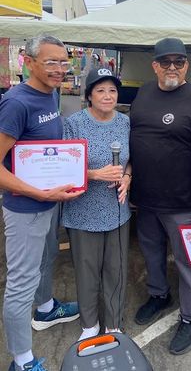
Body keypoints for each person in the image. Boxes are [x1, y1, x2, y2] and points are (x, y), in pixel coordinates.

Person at [129, 37, 191, 355]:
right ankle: (159, 295)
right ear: (154, 65)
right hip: (146, 199)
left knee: (188, 264)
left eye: (178, 62)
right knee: (152, 255)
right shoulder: (142, 94)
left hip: (184, 202)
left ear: (186, 65)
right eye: (165, 62)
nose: (172, 67)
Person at [0, 35, 82, 371]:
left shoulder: (49, 94)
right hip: (26, 209)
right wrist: (39, 194)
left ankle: (46, 308)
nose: (59, 69)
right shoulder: (17, 103)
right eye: (51, 62)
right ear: (28, 62)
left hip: (49, 203)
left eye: (64, 62)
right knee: (21, 282)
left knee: (47, 259)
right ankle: (22, 361)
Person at [62, 68, 131, 341]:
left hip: (117, 210)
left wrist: (127, 177)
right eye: (100, 90)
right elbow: (63, 165)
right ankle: (89, 324)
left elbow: (131, 159)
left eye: (112, 90)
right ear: (89, 94)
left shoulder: (125, 122)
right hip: (82, 211)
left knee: (116, 269)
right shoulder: (74, 123)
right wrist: (94, 174)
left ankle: (114, 323)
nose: (107, 95)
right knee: (87, 270)